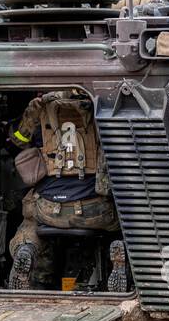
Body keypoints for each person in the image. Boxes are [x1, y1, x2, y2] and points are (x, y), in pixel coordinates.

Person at [7, 92, 118, 290]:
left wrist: (31, 114)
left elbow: (17, 140)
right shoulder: (101, 106)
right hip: (95, 210)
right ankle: (117, 259)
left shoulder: (38, 109)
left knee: (30, 222)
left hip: (49, 209)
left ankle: (26, 248)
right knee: (124, 220)